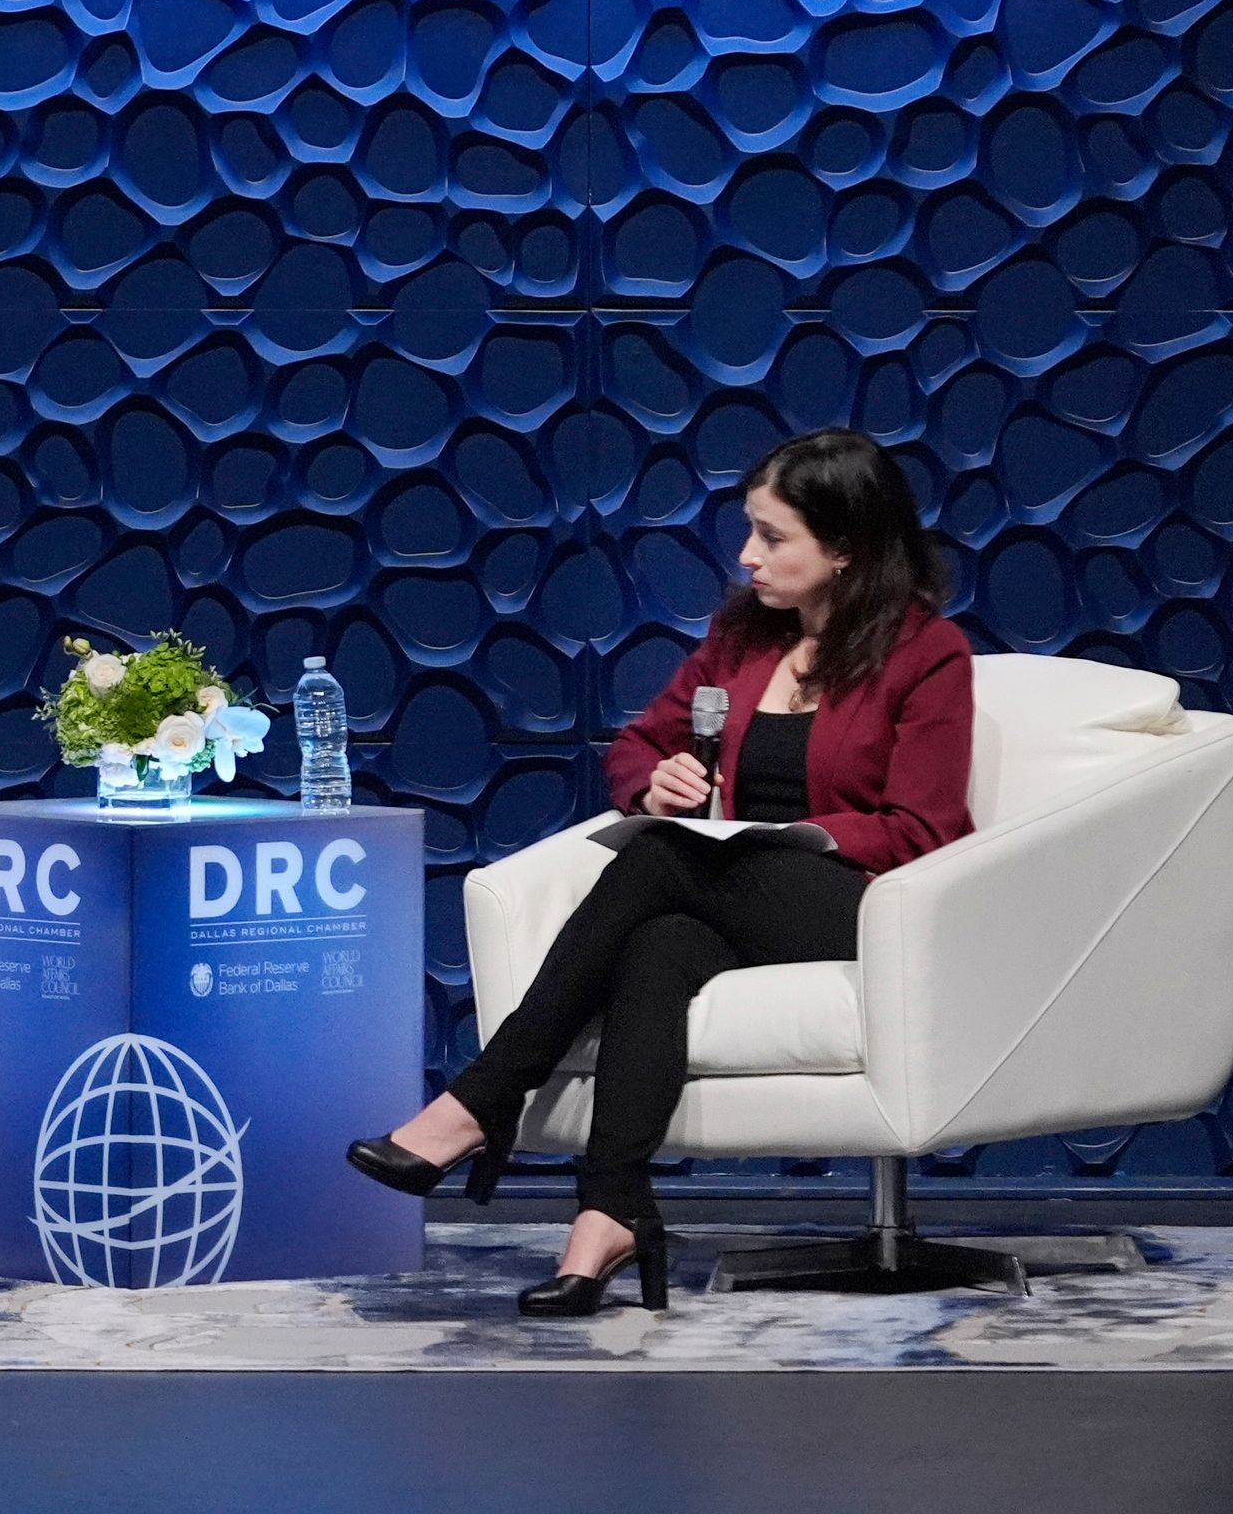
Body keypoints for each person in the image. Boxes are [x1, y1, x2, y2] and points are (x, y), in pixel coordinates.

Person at [346, 427, 974, 1315]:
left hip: (865, 906)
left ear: (846, 548)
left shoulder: (927, 653)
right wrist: (658, 780)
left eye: (773, 537)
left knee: (663, 857)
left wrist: (790, 836)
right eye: (749, 531)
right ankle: (611, 1212)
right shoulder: (744, 639)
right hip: (730, 896)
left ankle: (485, 1096)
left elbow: (925, 826)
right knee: (660, 943)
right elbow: (641, 744)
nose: (749, 556)